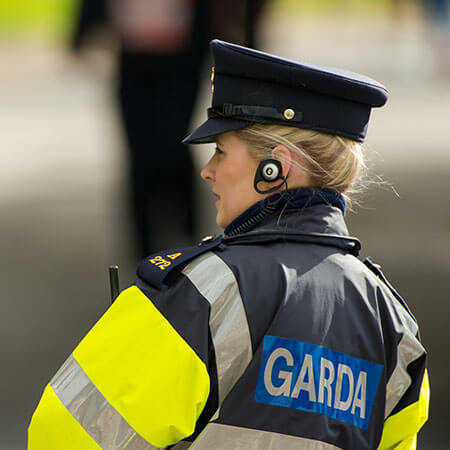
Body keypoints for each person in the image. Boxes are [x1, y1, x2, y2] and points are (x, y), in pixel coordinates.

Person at [28, 40, 429, 449]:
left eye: (221, 151)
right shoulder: (392, 323)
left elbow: (63, 435)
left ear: (276, 167)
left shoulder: (204, 292)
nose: (208, 171)